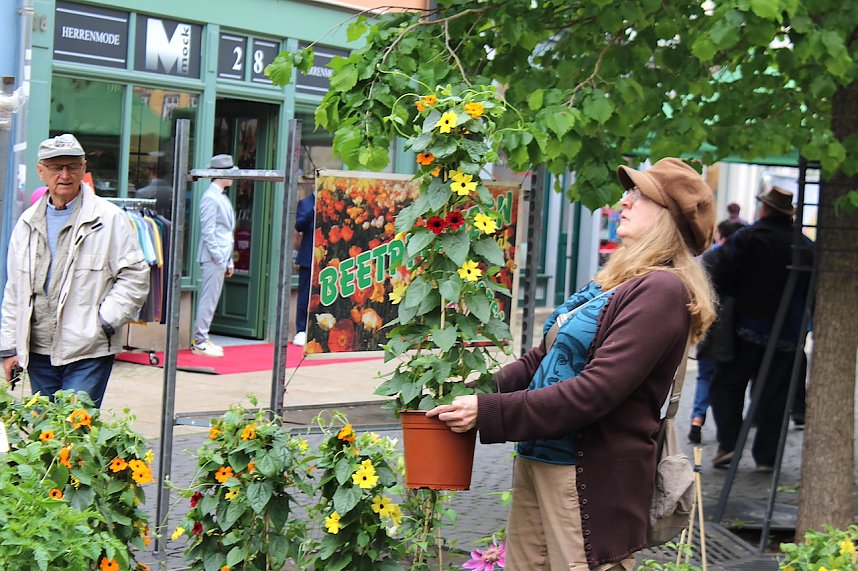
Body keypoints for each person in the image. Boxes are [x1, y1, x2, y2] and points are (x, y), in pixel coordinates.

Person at [428, 157, 717, 570]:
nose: (625, 199)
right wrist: (474, 392)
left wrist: (488, 413)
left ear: (668, 217)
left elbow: (595, 391)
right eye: (630, 191)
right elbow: (543, 357)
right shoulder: (614, 282)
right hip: (541, 460)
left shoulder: (662, 290)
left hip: (587, 478)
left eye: (639, 193)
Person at [0, 134, 150, 408]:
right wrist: (9, 348)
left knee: (75, 431)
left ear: (84, 168)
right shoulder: (26, 223)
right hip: (38, 351)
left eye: (72, 166)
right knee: (46, 438)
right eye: (56, 167)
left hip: (88, 350)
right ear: (41, 172)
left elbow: (135, 276)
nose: (65, 175)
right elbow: (14, 291)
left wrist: (104, 321)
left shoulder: (109, 219)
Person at [707, 186, 814, 472]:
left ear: (764, 209)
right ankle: (766, 457)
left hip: (744, 328)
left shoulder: (749, 237)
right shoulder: (805, 246)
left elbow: (720, 274)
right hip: (788, 335)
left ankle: (729, 444)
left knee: (726, 386)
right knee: (775, 396)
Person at [688, 218, 746, 444]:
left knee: (704, 376)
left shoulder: (711, 259)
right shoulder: (744, 262)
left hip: (711, 326)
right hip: (736, 332)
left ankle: (696, 419)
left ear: (721, 237)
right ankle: (731, 431)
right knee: (731, 382)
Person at [191, 154, 237, 357]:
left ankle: (203, 337)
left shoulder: (219, 196)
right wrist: (220, 258)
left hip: (220, 256)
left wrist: (228, 260)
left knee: (212, 299)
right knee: (208, 300)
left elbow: (223, 232)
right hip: (212, 257)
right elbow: (208, 232)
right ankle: (200, 340)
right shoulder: (210, 197)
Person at [292, 190, 315, 347]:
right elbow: (299, 225)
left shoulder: (334, 199)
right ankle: (301, 330)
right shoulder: (306, 202)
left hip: (328, 258)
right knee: (305, 294)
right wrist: (312, 210)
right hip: (308, 255)